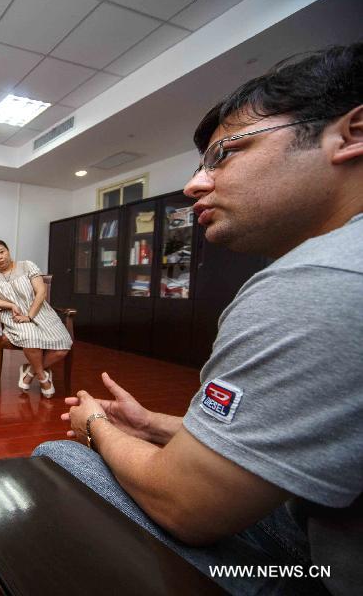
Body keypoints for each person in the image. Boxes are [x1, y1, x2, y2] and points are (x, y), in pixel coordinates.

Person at [34, 44, 362, 595]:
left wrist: (96, 426)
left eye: (223, 154)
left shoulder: (317, 283)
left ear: (350, 135)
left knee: (58, 456)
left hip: (319, 574)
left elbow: (186, 505)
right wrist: (155, 426)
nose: (193, 185)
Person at [0, 240, 72, 397]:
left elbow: (41, 292)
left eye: (2, 252)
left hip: (40, 312)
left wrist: (29, 315)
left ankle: (29, 372)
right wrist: (11, 305)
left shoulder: (27, 266)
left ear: (8, 251)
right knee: (30, 336)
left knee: (63, 346)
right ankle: (43, 378)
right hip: (14, 316)